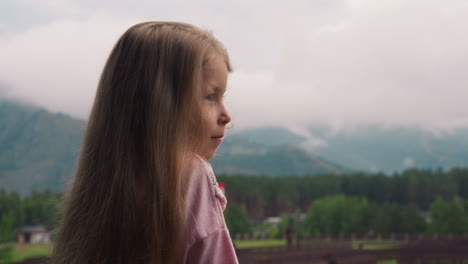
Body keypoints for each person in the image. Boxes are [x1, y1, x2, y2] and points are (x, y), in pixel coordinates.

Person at [52, 21, 238, 264]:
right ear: (162, 104)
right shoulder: (190, 175)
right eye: (209, 96)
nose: (226, 115)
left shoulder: (97, 189)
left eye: (222, 97)